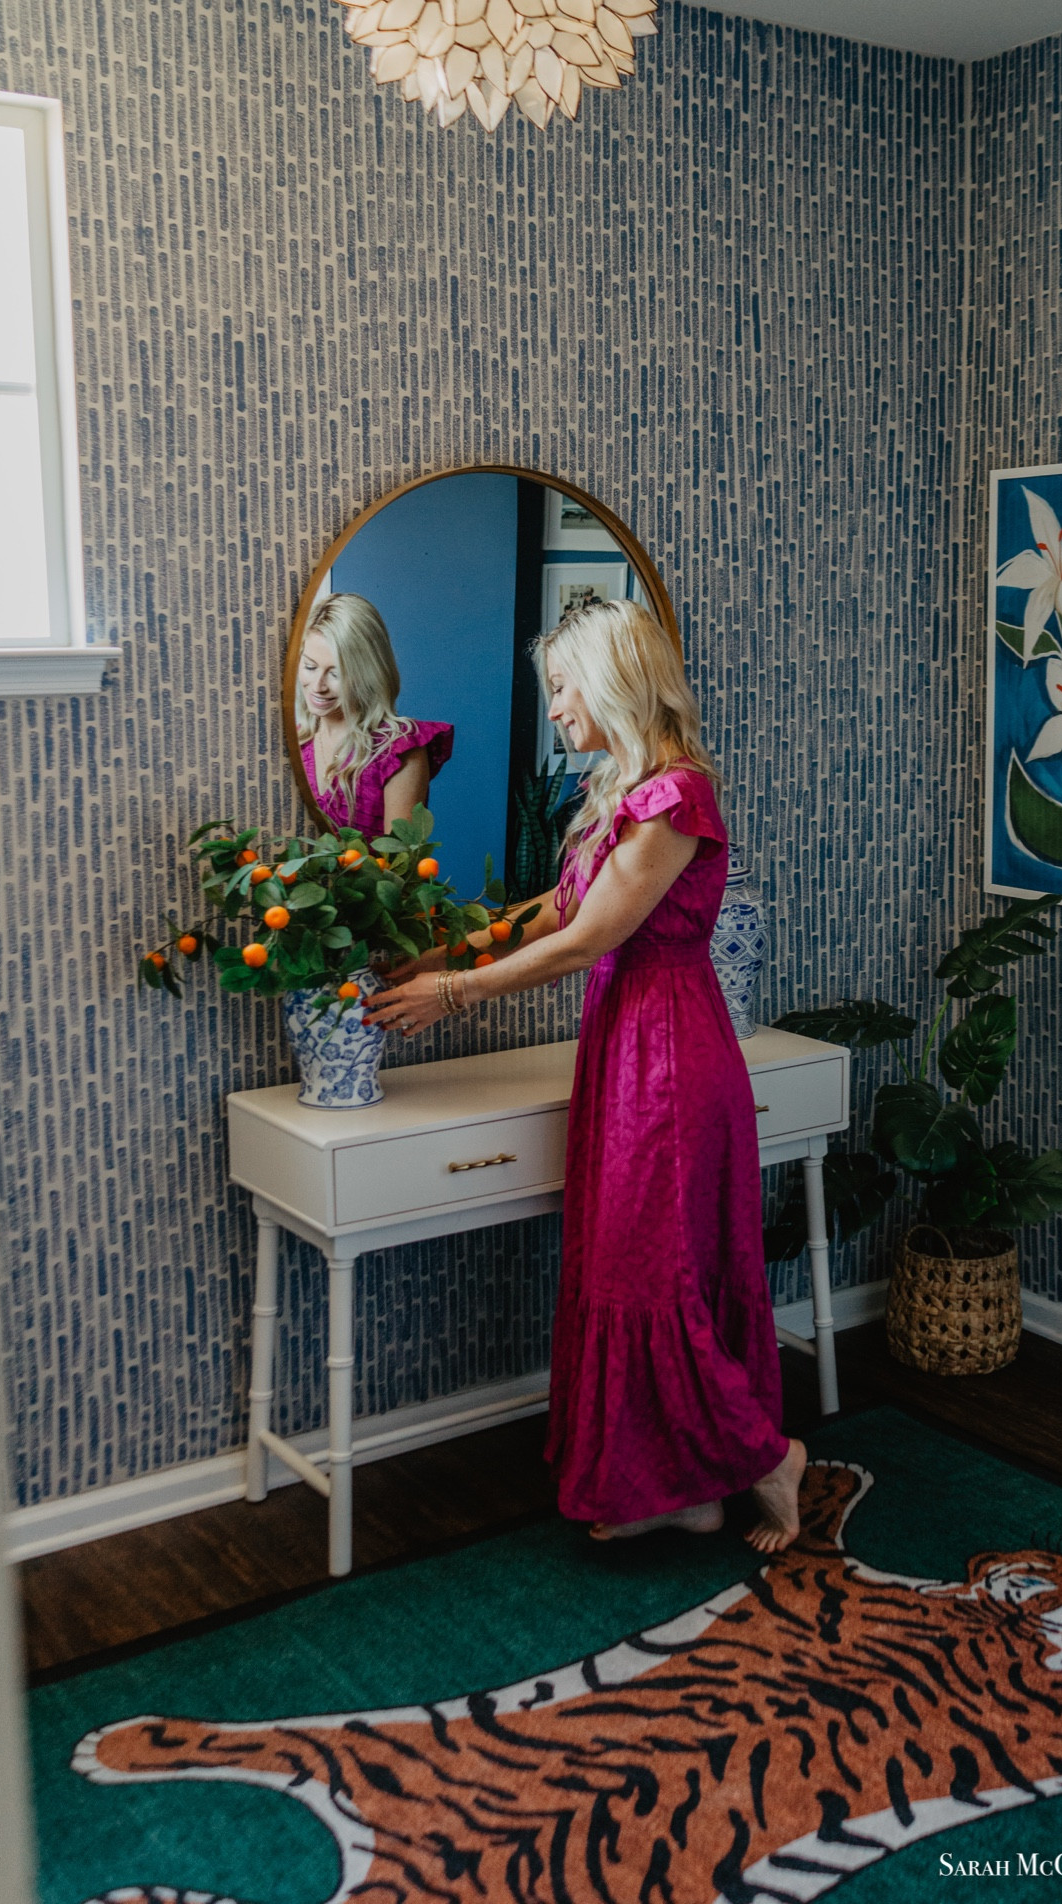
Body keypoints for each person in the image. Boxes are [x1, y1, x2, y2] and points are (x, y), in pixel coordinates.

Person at [365, 600, 805, 1552]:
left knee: (662, 1273)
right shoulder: (620, 788)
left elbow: (589, 939)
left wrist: (455, 991)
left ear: (610, 681)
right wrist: (454, 944)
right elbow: (554, 907)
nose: (557, 709)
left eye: (563, 688)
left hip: (672, 1057)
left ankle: (768, 1455)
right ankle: (683, 1491)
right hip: (626, 1046)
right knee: (627, 1265)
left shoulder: (677, 795)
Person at [296, 592, 453, 837]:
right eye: (309, 666)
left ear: (367, 672)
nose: (318, 686)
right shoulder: (295, 742)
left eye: (335, 674)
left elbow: (401, 867)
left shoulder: (398, 749)